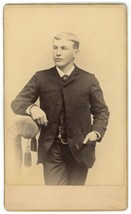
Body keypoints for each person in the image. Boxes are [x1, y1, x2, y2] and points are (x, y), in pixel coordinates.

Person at [11, 32, 110, 185]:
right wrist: (32, 108)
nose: (57, 53)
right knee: (54, 198)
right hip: (51, 150)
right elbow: (17, 102)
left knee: (75, 200)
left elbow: (101, 111)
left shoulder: (89, 80)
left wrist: (95, 132)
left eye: (63, 48)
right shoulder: (41, 77)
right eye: (55, 48)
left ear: (75, 52)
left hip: (80, 149)